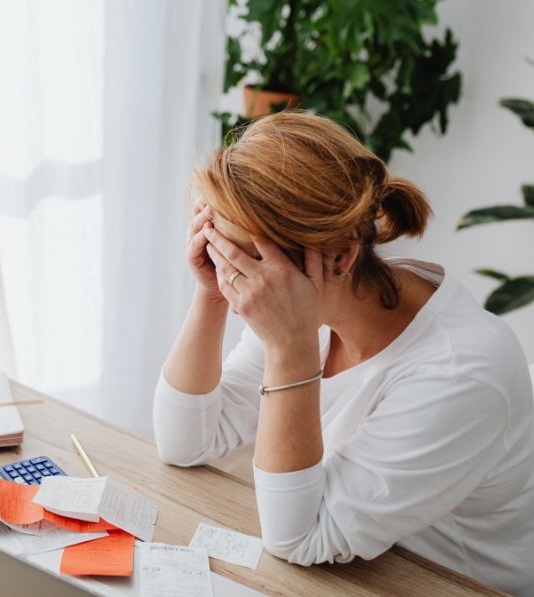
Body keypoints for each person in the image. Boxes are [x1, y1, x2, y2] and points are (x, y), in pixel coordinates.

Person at [153, 111, 534, 596]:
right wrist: (209, 295)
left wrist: (288, 348)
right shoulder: (317, 301)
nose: (236, 280)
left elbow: (298, 538)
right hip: (353, 569)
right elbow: (185, 443)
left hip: (442, 583)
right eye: (218, 250)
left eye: (245, 260)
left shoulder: (460, 373)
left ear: (341, 255)